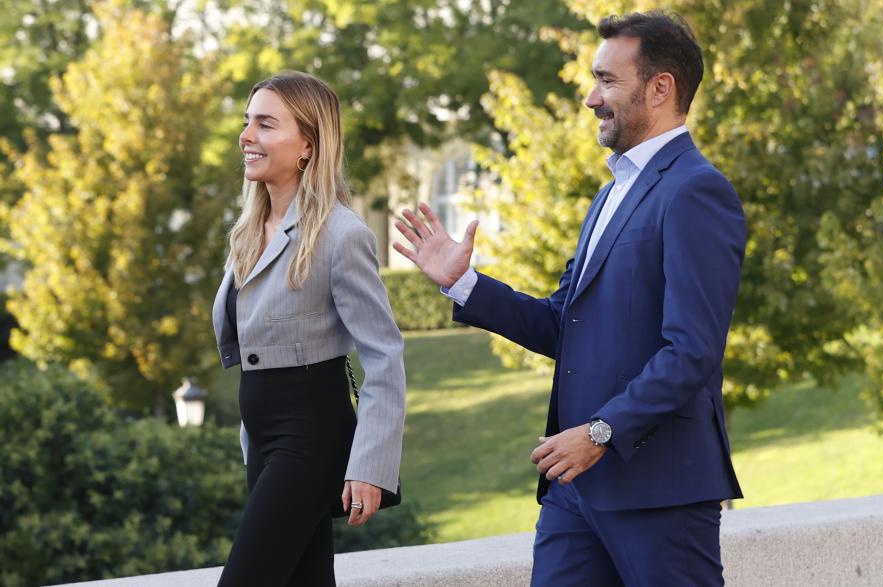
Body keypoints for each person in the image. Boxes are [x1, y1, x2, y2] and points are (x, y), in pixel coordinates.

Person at [395, 11, 745, 586]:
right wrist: (463, 284)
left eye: (607, 80)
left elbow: (692, 352)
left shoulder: (697, 191)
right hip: (574, 490)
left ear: (661, 88)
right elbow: (565, 325)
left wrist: (600, 433)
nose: (590, 98)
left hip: (659, 490)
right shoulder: (608, 195)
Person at [211, 71, 406, 587]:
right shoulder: (248, 232)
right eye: (247, 122)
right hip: (264, 435)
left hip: (310, 438)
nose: (246, 136)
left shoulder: (342, 235)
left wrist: (370, 465)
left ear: (307, 145)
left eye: (266, 124)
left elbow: (384, 355)